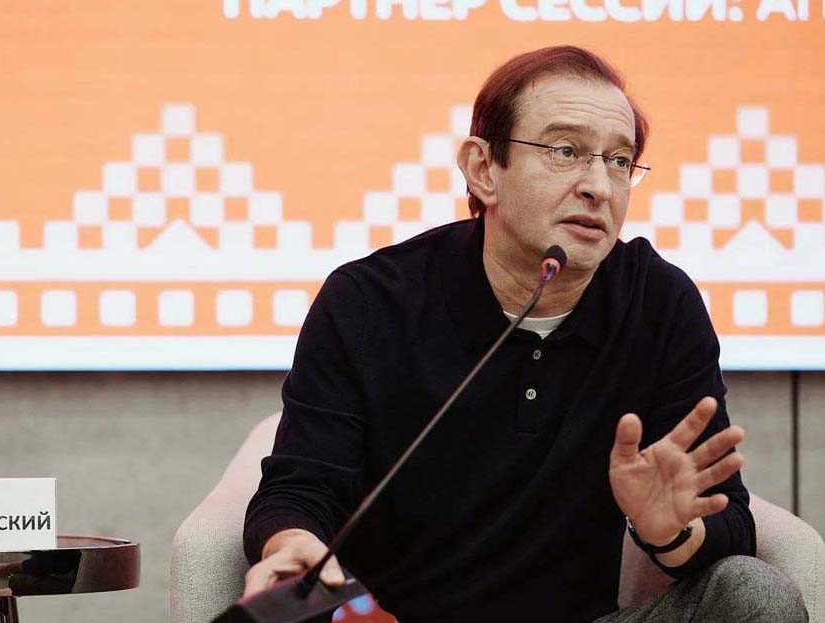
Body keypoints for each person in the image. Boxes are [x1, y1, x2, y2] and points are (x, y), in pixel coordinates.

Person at [242, 46, 809, 622]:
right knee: (280, 613)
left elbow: (728, 521)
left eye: (619, 160)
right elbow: (301, 488)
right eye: (565, 151)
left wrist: (670, 531)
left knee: (752, 592)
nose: (599, 186)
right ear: (483, 169)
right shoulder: (369, 302)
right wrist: (292, 547)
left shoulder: (658, 302)